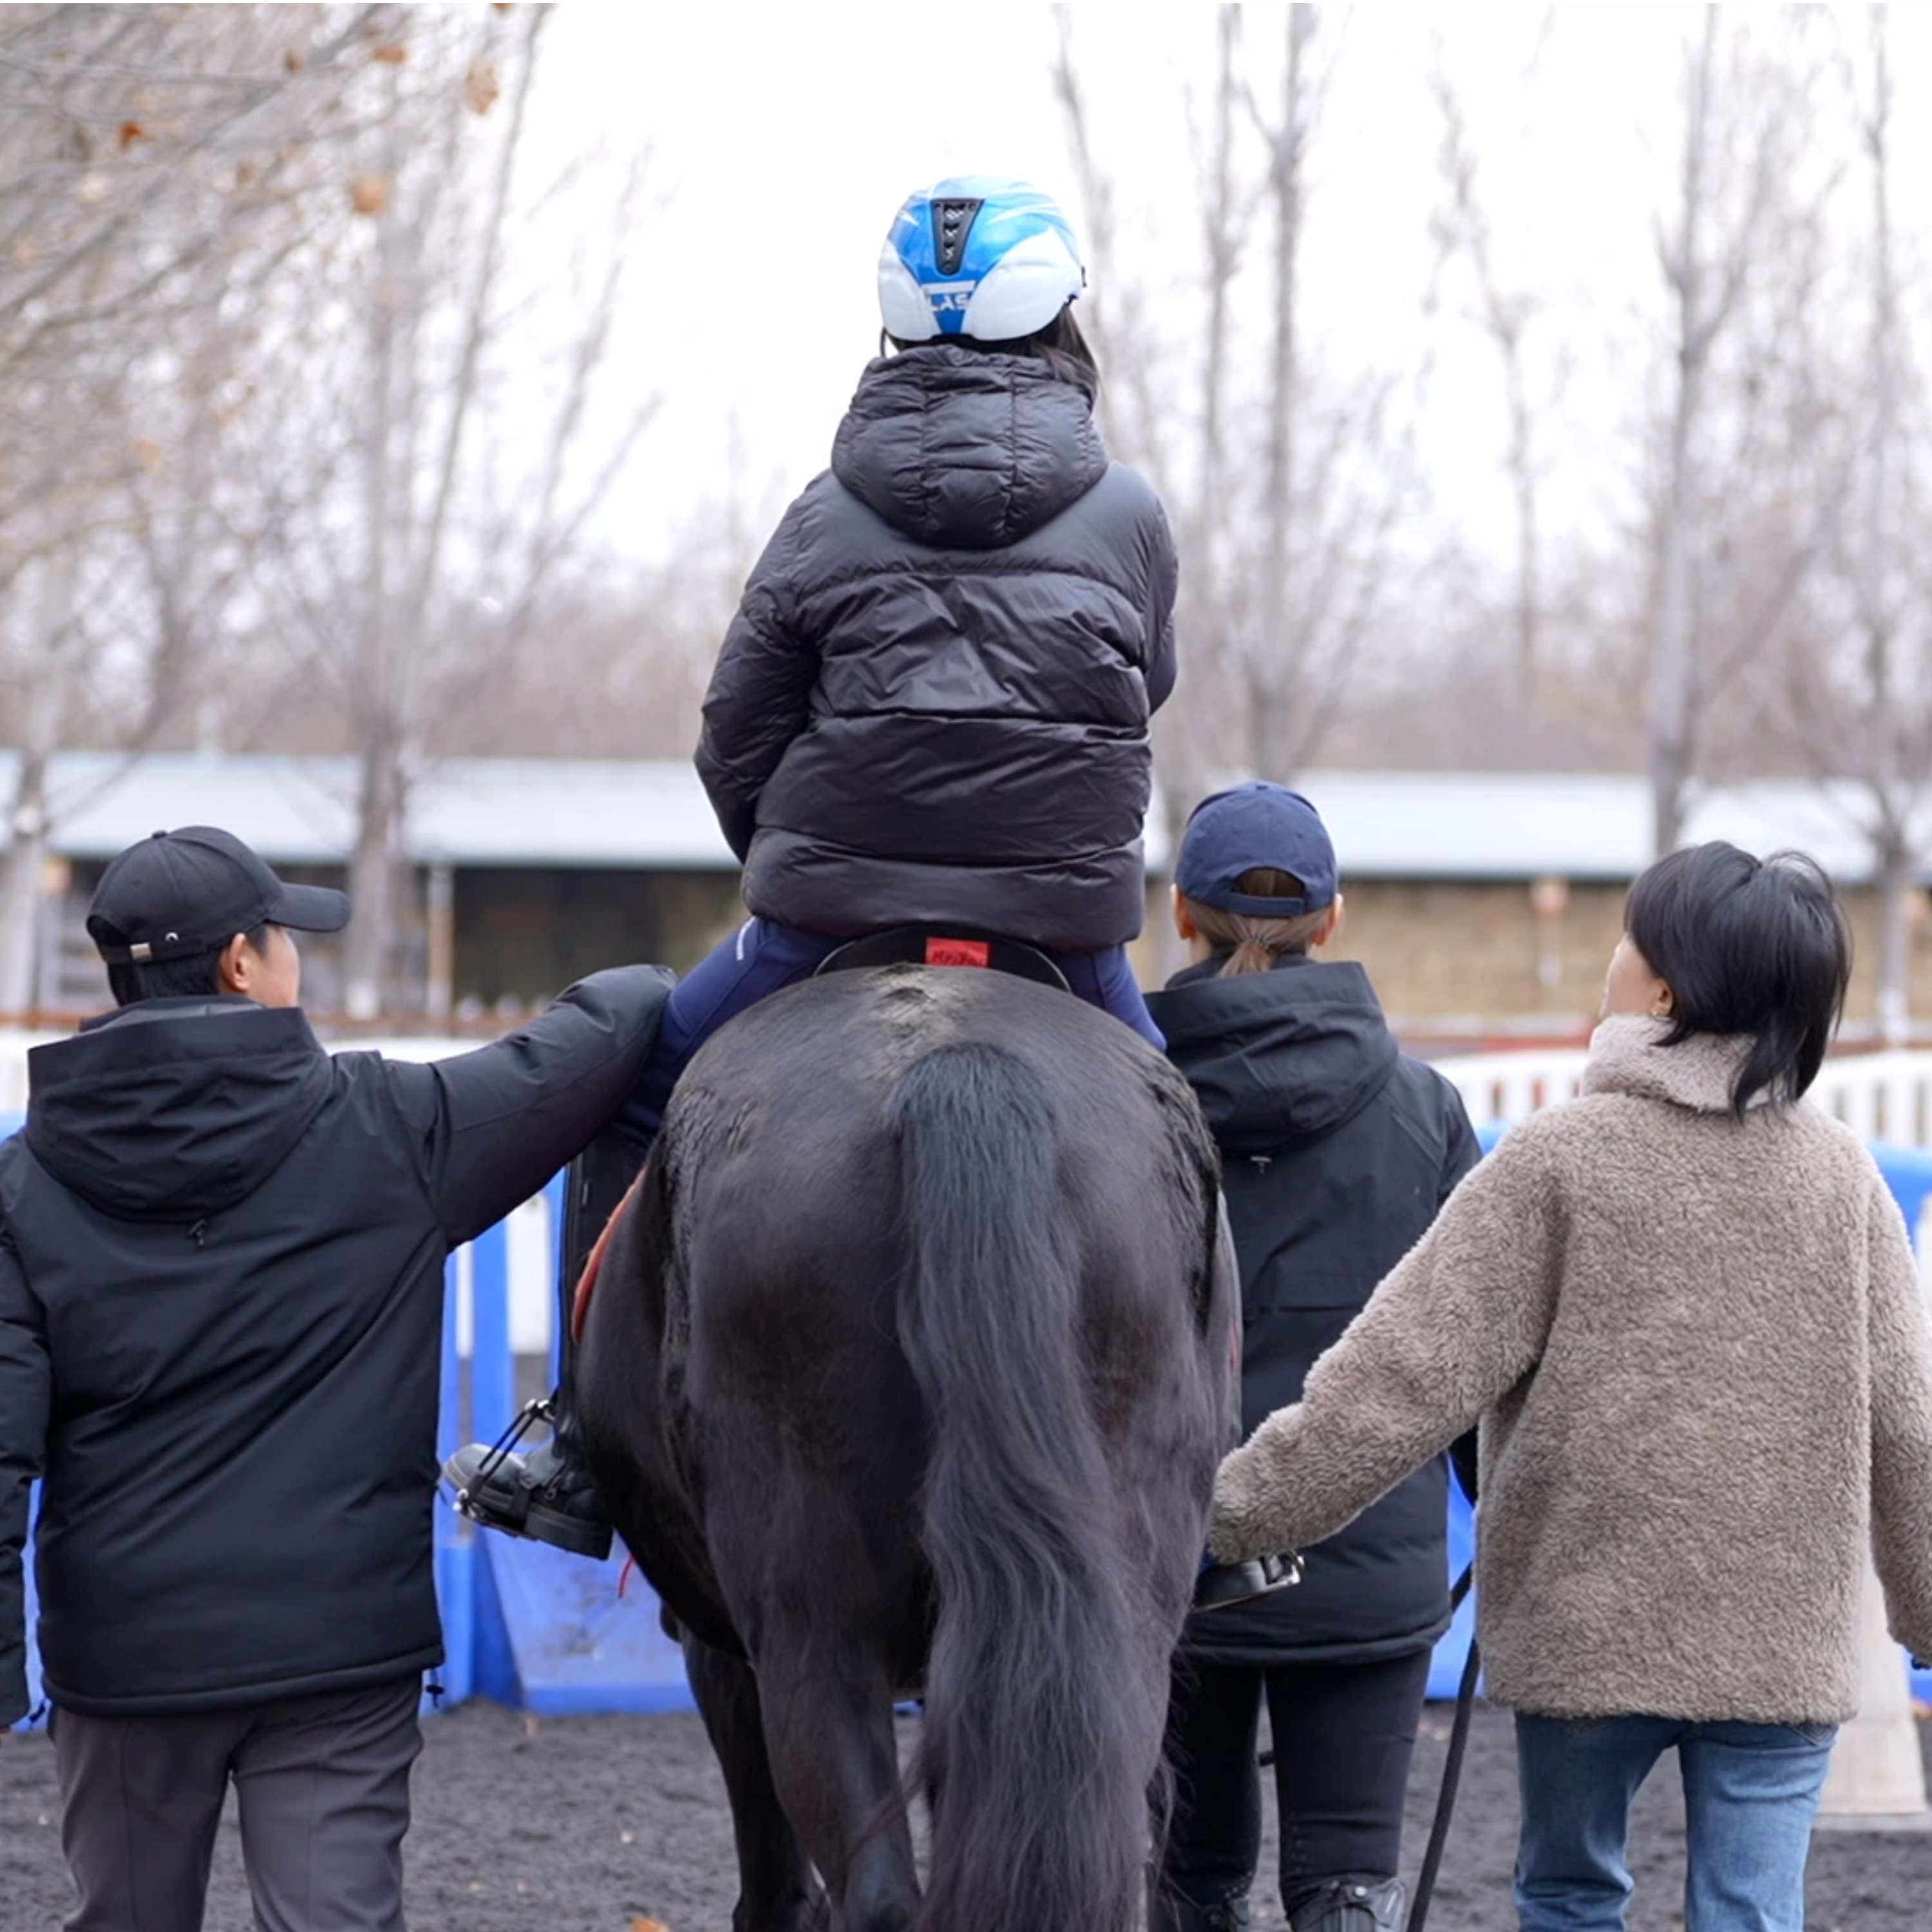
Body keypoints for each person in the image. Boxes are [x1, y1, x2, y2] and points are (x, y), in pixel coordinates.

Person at [449, 173, 1180, 1551]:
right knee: (1180, 1141)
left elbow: (736, 730)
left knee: (637, 1093)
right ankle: (1227, 1459)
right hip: (1067, 938)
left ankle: (572, 1442)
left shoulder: (820, 512)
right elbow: (1145, 696)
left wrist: (788, 859)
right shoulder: (1130, 513)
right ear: (1063, 322)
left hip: (823, 919)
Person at [1211, 841, 1932, 1932]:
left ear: (1663, 988)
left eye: (1625, 937)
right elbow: (1910, 1427)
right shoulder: (1845, 1179)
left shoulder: (1558, 1161)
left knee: (1570, 1895)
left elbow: (1403, 1375)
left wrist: (1233, 1514)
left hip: (1587, 1629)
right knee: (1752, 1912)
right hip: (1784, 1641)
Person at [0, 826, 672, 1932]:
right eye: (283, 939)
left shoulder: (26, 1183)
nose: (295, 960)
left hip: (126, 1655)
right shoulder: (393, 1128)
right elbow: (575, 1057)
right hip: (338, 1652)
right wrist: (663, 977)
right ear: (238, 964)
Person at [1144, 784, 1480, 1932]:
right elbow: (1474, 1347)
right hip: (1365, 1555)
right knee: (1348, 1887)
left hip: (1164, 1560)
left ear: (1182, 913)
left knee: (1187, 1881)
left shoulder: (1122, 1107)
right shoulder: (1425, 1110)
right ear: (1330, 922)